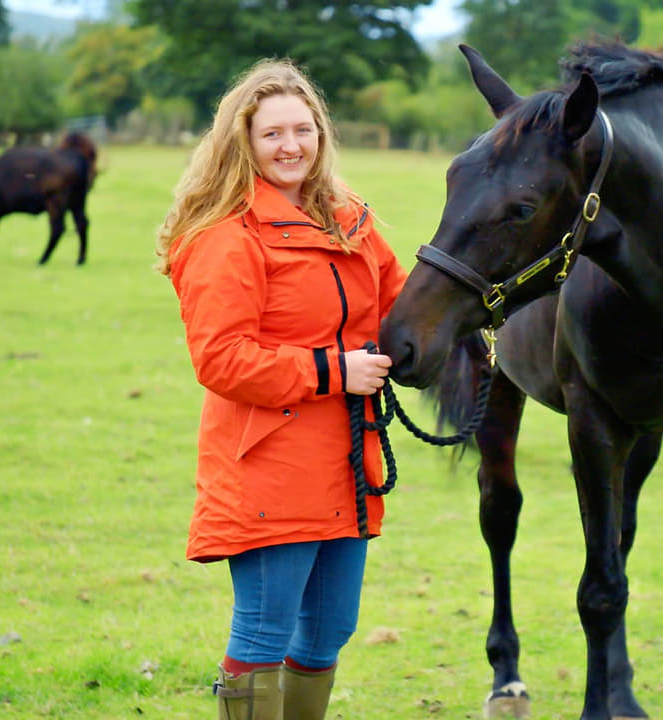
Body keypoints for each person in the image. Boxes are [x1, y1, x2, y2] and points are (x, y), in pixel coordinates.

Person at [155, 58, 408, 720]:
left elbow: (400, 309)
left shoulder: (349, 219)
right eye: (272, 134)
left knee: (328, 633)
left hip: (347, 459)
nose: (290, 146)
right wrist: (334, 371)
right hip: (268, 461)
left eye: (303, 129)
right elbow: (222, 358)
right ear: (243, 141)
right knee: (265, 632)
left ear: (322, 135)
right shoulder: (225, 235)